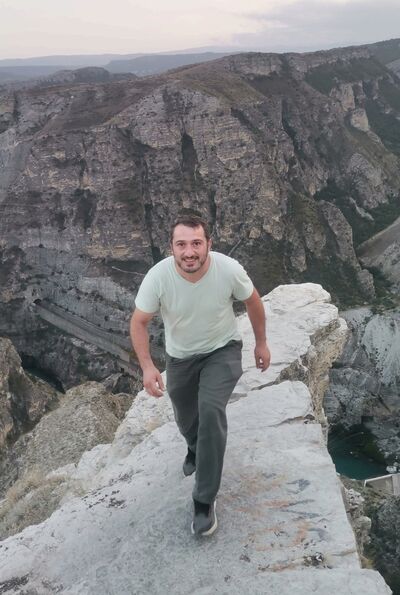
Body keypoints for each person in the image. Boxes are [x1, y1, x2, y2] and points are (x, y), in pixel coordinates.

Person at [130, 214, 271, 536]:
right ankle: (195, 447)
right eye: (181, 244)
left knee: (210, 410)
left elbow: (253, 301)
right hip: (180, 358)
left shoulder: (228, 269)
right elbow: (139, 321)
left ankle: (204, 500)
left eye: (196, 243)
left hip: (222, 350)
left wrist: (261, 343)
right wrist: (148, 366)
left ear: (209, 244)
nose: (189, 252)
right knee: (185, 416)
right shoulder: (158, 277)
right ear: (171, 248)